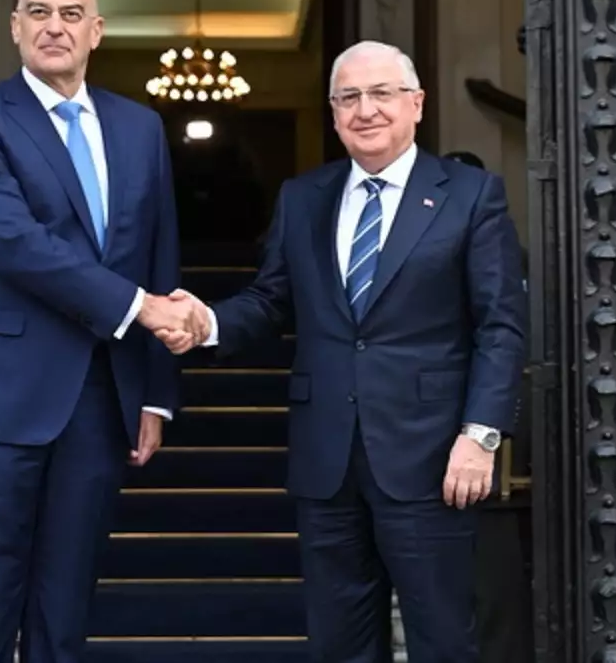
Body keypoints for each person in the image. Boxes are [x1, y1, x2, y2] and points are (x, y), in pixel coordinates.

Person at [159, 40, 527, 662]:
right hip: (327, 460)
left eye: (381, 93)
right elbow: (272, 300)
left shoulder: (470, 194)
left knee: (444, 641)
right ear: (333, 113)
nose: (365, 109)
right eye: (348, 97)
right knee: (339, 645)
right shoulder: (304, 197)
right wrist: (208, 323)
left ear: (416, 104)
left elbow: (501, 325)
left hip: (433, 458)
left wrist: (481, 434)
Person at [0, 0, 202, 663]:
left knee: (65, 615)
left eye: (72, 14)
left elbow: (158, 252)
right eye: (40, 12)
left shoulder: (139, 127)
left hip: (99, 400)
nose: (55, 27)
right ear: (15, 27)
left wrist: (155, 395)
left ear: (97, 31)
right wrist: (140, 308)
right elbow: (15, 242)